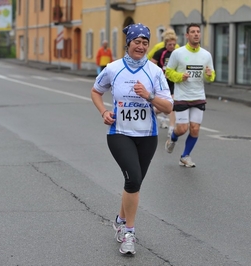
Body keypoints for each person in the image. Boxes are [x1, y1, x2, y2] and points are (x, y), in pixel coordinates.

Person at [91, 23, 173, 255]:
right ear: (128, 44)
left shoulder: (155, 72)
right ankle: (129, 233)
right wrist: (103, 112)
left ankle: (119, 220)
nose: (141, 46)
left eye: (145, 43)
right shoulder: (113, 68)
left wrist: (149, 96)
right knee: (134, 179)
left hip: (147, 136)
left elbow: (168, 106)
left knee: (133, 184)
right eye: (137, 42)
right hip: (119, 133)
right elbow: (96, 91)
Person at [164, 23, 216, 168]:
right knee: (182, 129)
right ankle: (172, 139)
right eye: (192, 32)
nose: (196, 34)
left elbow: (211, 75)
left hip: (198, 96)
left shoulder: (206, 55)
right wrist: (180, 76)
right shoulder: (178, 53)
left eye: (198, 31)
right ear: (187, 35)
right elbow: (168, 72)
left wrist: (210, 75)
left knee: (195, 128)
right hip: (182, 96)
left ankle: (185, 156)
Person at [150, 32, 177, 137]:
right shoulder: (160, 52)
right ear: (165, 44)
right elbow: (151, 65)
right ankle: (152, 112)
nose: (172, 47)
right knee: (163, 106)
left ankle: (171, 128)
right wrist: (159, 73)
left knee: (172, 104)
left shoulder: (176, 53)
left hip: (172, 81)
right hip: (162, 82)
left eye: (174, 44)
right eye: (170, 44)